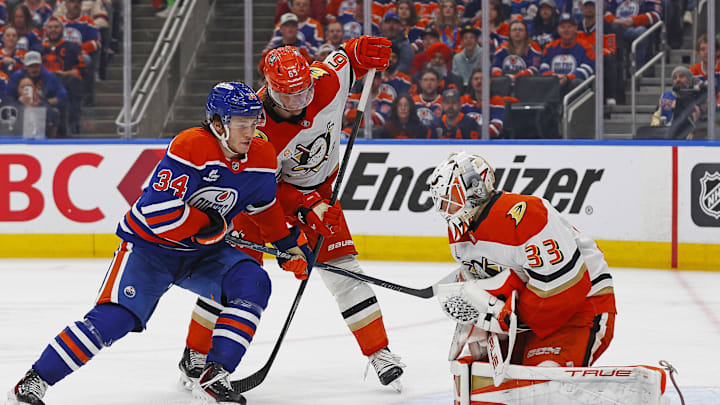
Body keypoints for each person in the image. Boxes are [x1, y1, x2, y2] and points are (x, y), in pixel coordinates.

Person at [7, 81, 313, 405]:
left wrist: (287, 245)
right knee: (114, 320)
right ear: (219, 123)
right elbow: (158, 213)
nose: (249, 132)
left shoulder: (262, 157)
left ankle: (214, 376)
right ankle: (34, 380)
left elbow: (263, 207)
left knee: (253, 283)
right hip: (149, 250)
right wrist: (207, 223)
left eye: (253, 123)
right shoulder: (191, 146)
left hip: (203, 253)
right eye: (241, 124)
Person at [178, 40, 407, 391]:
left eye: (304, 92)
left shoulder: (326, 81)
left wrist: (364, 51)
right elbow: (263, 191)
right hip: (257, 205)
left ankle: (380, 352)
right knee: (232, 280)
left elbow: (351, 57)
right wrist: (303, 211)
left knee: (346, 272)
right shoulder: (256, 132)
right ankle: (195, 352)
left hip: (322, 193)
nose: (301, 103)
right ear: (270, 91)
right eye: (290, 98)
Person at [428, 151, 616, 370]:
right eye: (441, 201)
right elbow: (495, 281)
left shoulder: (525, 215)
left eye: (451, 197)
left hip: (581, 307)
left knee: (543, 376)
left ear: (475, 188)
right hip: (531, 316)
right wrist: (476, 315)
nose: (445, 207)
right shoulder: (459, 236)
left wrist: (504, 319)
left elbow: (567, 285)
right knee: (484, 375)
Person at [41, 16, 86, 135]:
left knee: (74, 81)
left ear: (62, 29)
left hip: (64, 80)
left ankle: (73, 125)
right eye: (50, 27)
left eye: (56, 27)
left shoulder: (72, 47)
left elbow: (80, 71)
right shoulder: (38, 47)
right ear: (45, 30)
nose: (53, 30)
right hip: (43, 82)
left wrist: (63, 73)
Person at [8, 50, 67, 137]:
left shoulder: (49, 76)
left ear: (41, 65)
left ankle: (52, 140)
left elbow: (63, 95)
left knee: (54, 113)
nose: (34, 69)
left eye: (36, 66)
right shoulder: (16, 77)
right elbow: (8, 96)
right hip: (19, 103)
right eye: (31, 66)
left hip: (42, 103)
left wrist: (45, 101)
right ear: (25, 66)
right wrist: (20, 101)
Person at [577, 0, 620, 105]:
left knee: (609, 60)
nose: (589, 9)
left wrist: (596, 52)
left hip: (599, 58)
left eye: (592, 6)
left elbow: (611, 48)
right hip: (582, 58)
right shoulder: (577, 26)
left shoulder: (606, 26)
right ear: (582, 9)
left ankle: (610, 96)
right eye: (587, 6)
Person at [540, 13, 594, 93]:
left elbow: (588, 69)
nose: (566, 30)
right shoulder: (550, 46)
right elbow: (543, 67)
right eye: (563, 27)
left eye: (569, 27)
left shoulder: (585, 46)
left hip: (573, 84)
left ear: (575, 28)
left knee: (576, 83)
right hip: (553, 83)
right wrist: (554, 77)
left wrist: (567, 78)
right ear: (558, 29)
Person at [649, 66, 702, 139]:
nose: (678, 79)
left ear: (689, 80)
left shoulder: (697, 96)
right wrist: (656, 124)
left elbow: (698, 121)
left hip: (690, 138)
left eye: (681, 76)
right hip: (666, 136)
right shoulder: (665, 96)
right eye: (675, 78)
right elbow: (656, 117)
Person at [460, 68, 507, 138]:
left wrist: (472, 132)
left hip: (490, 144)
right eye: (476, 79)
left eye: (482, 79)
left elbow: (496, 129)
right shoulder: (464, 100)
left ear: (489, 81)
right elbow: (458, 125)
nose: (479, 81)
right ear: (472, 82)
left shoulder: (497, 101)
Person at [452, 24, 482, 89]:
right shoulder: (457, 58)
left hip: (479, 87)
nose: (468, 40)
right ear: (462, 42)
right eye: (465, 38)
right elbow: (455, 77)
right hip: (461, 89)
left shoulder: (483, 55)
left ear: (476, 41)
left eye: (471, 37)